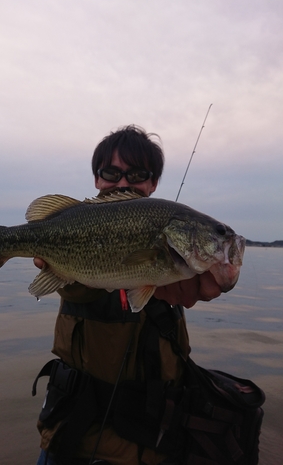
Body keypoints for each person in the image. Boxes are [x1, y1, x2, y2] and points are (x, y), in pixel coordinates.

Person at [34, 125, 221, 465]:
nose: (122, 183)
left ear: (153, 184)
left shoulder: (173, 248)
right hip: (75, 438)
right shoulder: (76, 228)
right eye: (111, 173)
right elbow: (74, 288)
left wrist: (211, 278)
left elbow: (201, 281)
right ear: (96, 179)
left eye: (136, 174)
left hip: (156, 444)